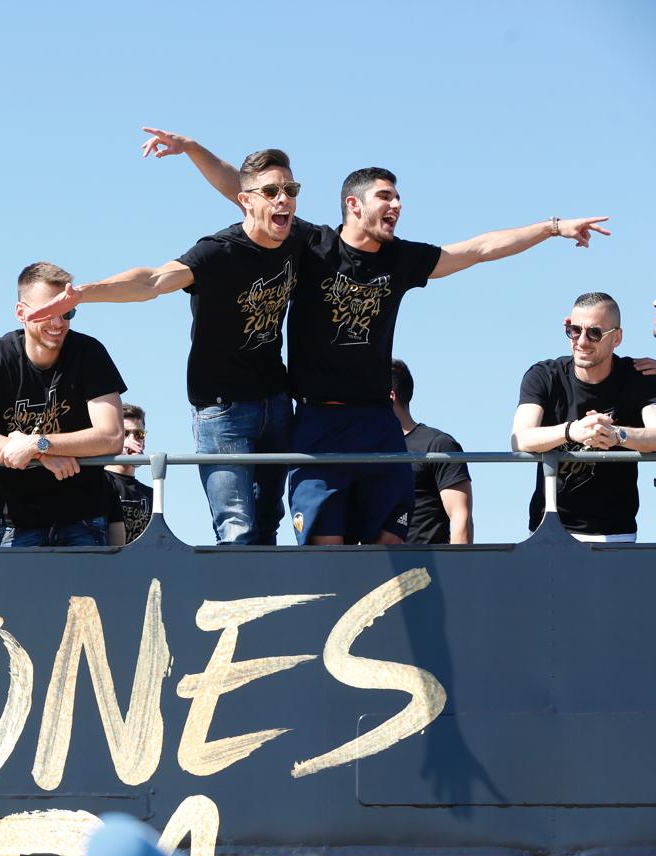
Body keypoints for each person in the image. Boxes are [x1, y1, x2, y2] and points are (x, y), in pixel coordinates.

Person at [131, 126, 610, 545]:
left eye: (399, 197)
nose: (397, 205)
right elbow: (249, 191)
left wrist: (552, 228)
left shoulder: (401, 259)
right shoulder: (311, 244)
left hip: (377, 420)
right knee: (323, 545)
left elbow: (479, 249)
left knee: (389, 539)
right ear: (353, 204)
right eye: (386, 196)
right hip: (317, 421)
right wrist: (193, 149)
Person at [23, 149, 304, 544]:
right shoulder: (217, 251)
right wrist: (83, 295)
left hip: (276, 401)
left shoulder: (298, 237)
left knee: (269, 521)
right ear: (247, 201)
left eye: (290, 189)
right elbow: (151, 281)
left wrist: (190, 146)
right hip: (222, 408)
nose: (283, 198)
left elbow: (238, 182)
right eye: (272, 190)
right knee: (236, 527)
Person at [0, 262, 125, 547]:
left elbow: (111, 437)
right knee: (19, 594)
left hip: (83, 515)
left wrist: (38, 444)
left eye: (66, 312)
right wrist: (42, 454)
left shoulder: (89, 352)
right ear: (21, 313)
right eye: (47, 313)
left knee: (85, 594)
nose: (58, 324)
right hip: (18, 519)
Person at [511, 292, 656, 541]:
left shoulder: (637, 376)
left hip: (616, 532)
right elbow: (519, 439)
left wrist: (616, 435)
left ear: (617, 338)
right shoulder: (545, 375)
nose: (582, 341)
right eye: (574, 330)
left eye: (595, 333)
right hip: (549, 529)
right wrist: (572, 430)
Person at [390, 360, 472, 545]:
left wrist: (459, 571)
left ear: (391, 396)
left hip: (424, 570)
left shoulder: (438, 445)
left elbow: (461, 517)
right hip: (376, 568)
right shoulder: (370, 450)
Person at [106, 403, 154, 545]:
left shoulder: (150, 493)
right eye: (125, 434)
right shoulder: (99, 481)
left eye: (139, 434)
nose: (133, 440)